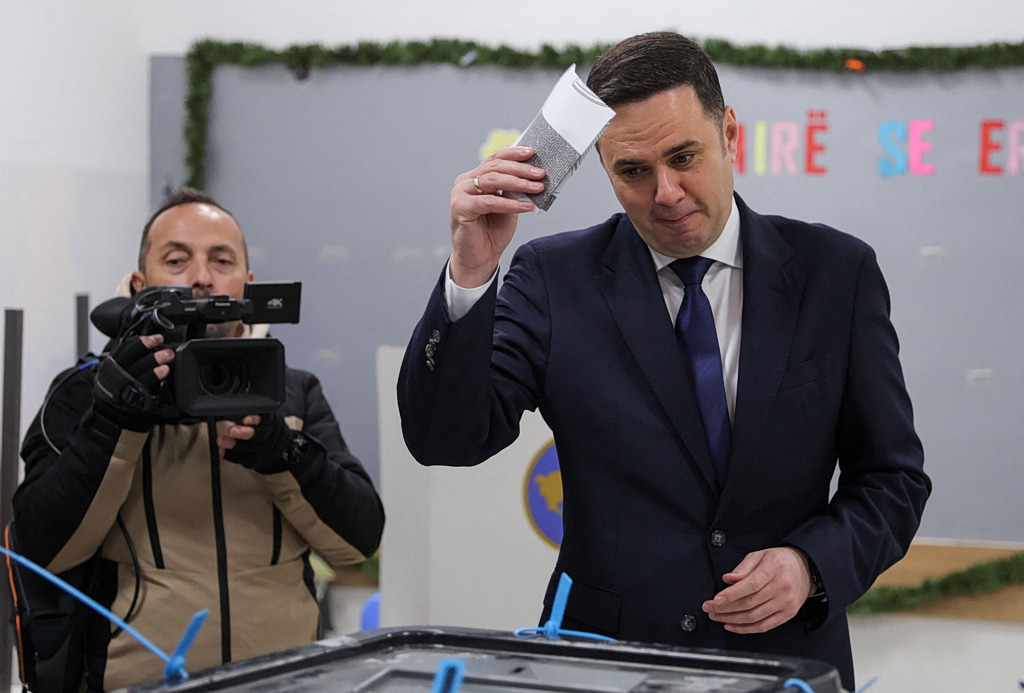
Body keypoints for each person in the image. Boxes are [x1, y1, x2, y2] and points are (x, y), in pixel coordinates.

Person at [397, 32, 930, 690]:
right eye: (633, 171)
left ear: (728, 132)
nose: (667, 192)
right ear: (603, 166)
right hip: (605, 664)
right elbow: (446, 439)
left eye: (684, 157)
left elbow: (893, 479)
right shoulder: (554, 279)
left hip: (784, 661)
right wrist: (471, 270)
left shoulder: (836, 274)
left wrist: (810, 565)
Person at [12, 188, 385, 691]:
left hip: (282, 682)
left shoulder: (291, 393)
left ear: (247, 284)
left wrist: (285, 453)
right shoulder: (85, 393)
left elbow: (358, 541)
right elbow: (40, 551)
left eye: (222, 260)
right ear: (140, 284)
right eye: (177, 260)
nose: (202, 277)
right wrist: (113, 419)